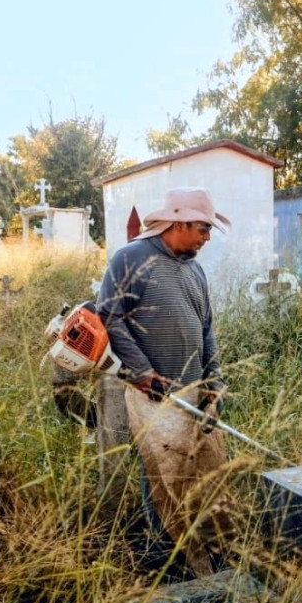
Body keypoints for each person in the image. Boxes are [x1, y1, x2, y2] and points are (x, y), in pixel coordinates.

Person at [96, 186, 234, 575]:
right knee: (163, 480)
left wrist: (215, 381)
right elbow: (111, 318)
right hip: (152, 395)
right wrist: (142, 373)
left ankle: (210, 558)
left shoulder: (195, 269)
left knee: (205, 478)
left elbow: (206, 328)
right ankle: (167, 562)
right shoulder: (131, 259)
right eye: (203, 229)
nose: (207, 238)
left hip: (195, 393)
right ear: (178, 221)